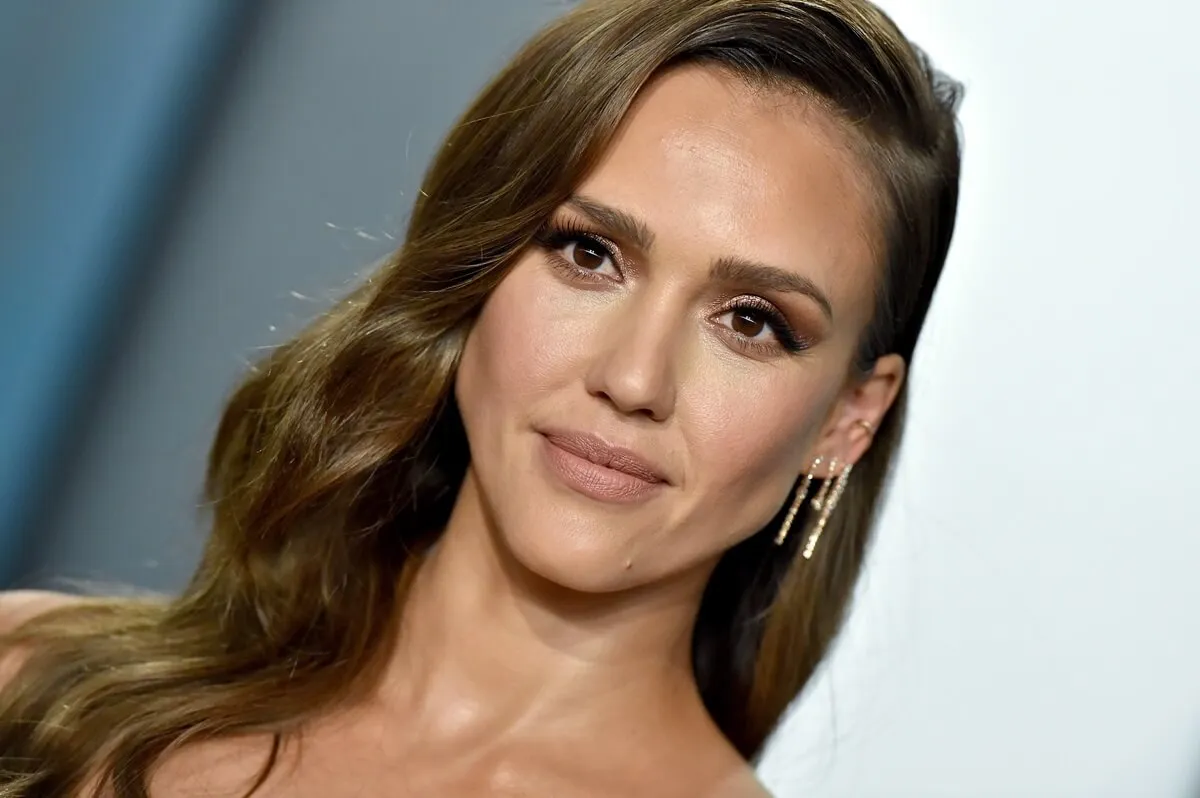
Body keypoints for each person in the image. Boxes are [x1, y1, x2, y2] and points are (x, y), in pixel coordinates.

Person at [0, 0, 963, 795]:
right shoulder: (33, 687)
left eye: (750, 321)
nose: (632, 380)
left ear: (849, 420)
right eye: (589, 255)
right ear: (480, 268)